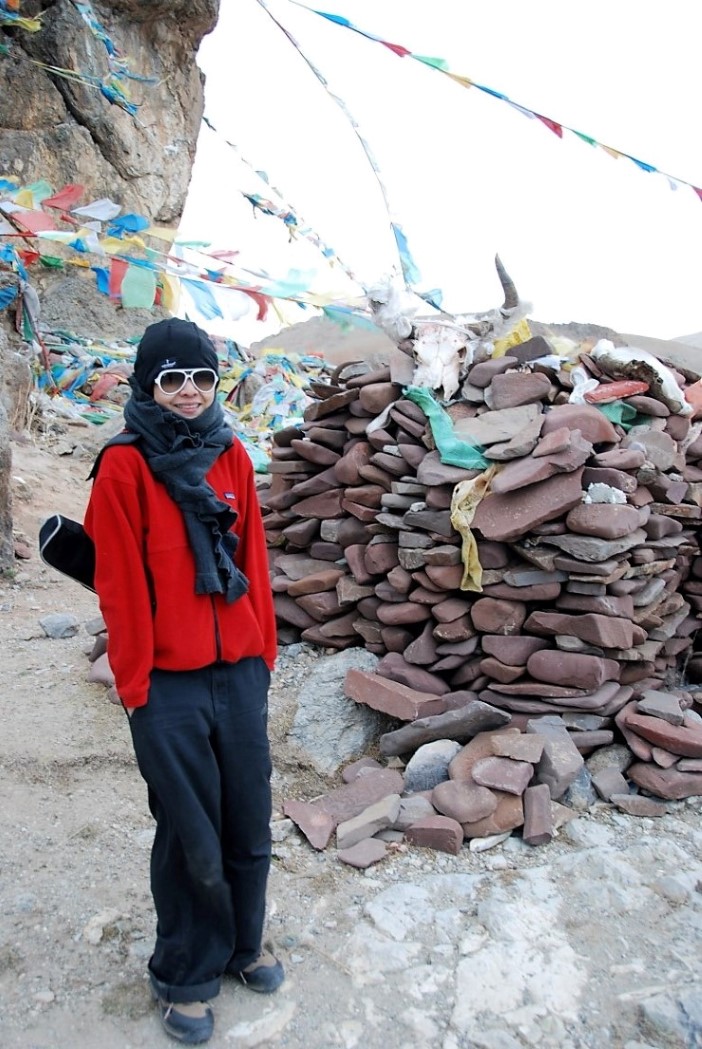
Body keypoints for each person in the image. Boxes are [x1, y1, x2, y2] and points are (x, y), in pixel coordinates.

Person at [84, 318, 282, 1045]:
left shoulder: (231, 454)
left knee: (248, 819)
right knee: (190, 831)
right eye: (173, 379)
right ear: (149, 384)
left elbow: (254, 560)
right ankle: (186, 972)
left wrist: (264, 653)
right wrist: (136, 683)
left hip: (239, 672)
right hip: (166, 683)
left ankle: (241, 945)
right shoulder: (125, 465)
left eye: (201, 377)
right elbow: (119, 585)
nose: (189, 392)